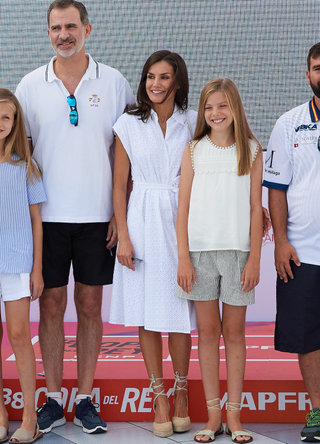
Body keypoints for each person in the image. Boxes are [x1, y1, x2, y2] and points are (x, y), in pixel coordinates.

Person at [15, 0, 134, 435]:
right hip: (45, 219)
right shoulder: (30, 85)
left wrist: (121, 216)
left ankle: (83, 399)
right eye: (55, 28)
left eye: (70, 26)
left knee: (89, 306)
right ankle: (51, 398)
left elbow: (127, 153)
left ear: (88, 28)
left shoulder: (115, 83)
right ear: (48, 33)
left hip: (97, 218)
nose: (63, 34)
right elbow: (17, 155)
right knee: (50, 305)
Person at [109, 50, 197, 438]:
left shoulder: (194, 122)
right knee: (147, 311)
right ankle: (158, 395)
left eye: (164, 77)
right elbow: (119, 184)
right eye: (150, 77)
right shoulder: (129, 123)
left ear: (177, 82)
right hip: (141, 217)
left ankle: (181, 392)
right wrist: (124, 236)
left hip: (183, 220)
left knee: (178, 310)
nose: (156, 84)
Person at [176, 78, 263, 443]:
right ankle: (213, 416)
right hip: (199, 254)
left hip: (238, 253)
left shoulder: (252, 150)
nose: (215, 113)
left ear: (235, 109)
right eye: (209, 107)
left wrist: (254, 258)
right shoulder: (194, 150)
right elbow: (182, 209)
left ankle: (235, 417)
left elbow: (256, 210)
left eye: (223, 106)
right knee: (208, 334)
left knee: (235, 335)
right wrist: (184, 257)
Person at [264, 42, 320, 442]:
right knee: (309, 336)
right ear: (308, 75)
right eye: (318, 67)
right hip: (303, 249)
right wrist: (280, 241)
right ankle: (318, 411)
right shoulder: (288, 123)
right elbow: (277, 189)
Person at [0, 89, 46, 444]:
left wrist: (37, 269)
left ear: (15, 123)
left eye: (6, 117)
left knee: (18, 335)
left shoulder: (26, 167)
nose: (0, 123)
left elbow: (36, 222)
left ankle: (31, 416)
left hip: (16, 264)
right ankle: (0, 414)